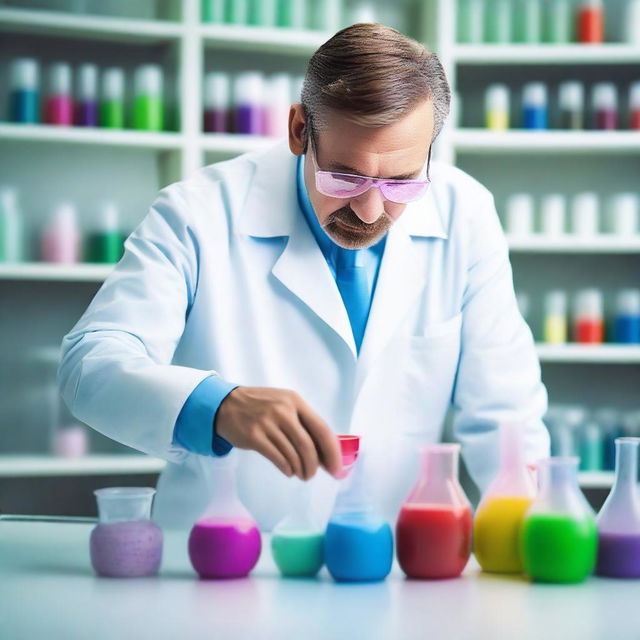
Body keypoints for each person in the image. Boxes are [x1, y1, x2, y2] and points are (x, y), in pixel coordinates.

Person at [58, 23, 549, 529]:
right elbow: (92, 363)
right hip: (224, 559)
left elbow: (506, 412)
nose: (369, 209)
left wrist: (538, 529)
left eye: (400, 182)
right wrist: (218, 406)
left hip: (387, 560)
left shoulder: (464, 213)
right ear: (298, 130)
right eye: (346, 176)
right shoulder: (198, 213)